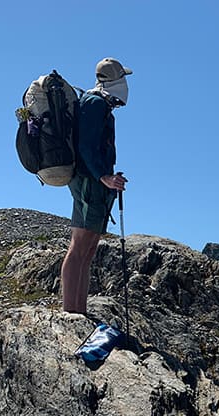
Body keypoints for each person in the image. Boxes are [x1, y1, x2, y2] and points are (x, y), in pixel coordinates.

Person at [61, 57, 132, 314]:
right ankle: (71, 311)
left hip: (92, 180)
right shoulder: (94, 103)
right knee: (80, 245)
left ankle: (79, 309)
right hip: (88, 181)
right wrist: (104, 175)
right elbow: (86, 146)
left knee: (89, 248)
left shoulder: (98, 103)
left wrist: (106, 175)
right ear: (115, 79)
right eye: (122, 77)